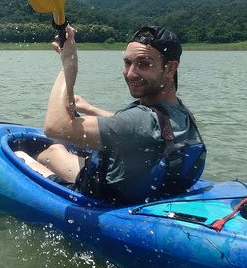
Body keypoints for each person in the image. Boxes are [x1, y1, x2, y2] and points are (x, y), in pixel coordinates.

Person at [17, 25, 206, 204]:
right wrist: (91, 109)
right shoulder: (179, 113)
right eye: (128, 63)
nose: (131, 73)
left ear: (170, 68)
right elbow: (133, 125)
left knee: (25, 154)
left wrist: (68, 63)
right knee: (56, 150)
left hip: (103, 193)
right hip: (140, 186)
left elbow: (55, 127)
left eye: (144, 64)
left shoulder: (140, 121)